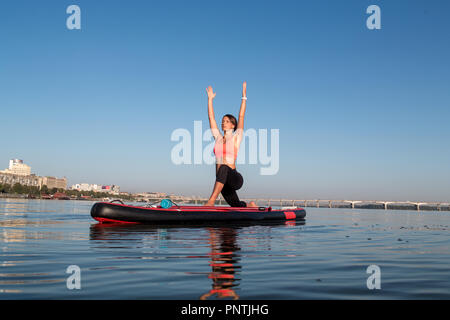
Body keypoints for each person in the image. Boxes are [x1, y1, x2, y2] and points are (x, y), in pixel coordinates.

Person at [204, 82, 257, 207]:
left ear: (233, 125)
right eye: (222, 121)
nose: (223, 123)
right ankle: (249, 205)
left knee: (223, 167)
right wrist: (210, 99)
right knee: (236, 206)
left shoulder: (236, 137)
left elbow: (241, 116)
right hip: (221, 181)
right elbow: (211, 118)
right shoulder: (217, 137)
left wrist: (244, 97)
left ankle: (211, 202)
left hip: (235, 178)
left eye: (227, 121)